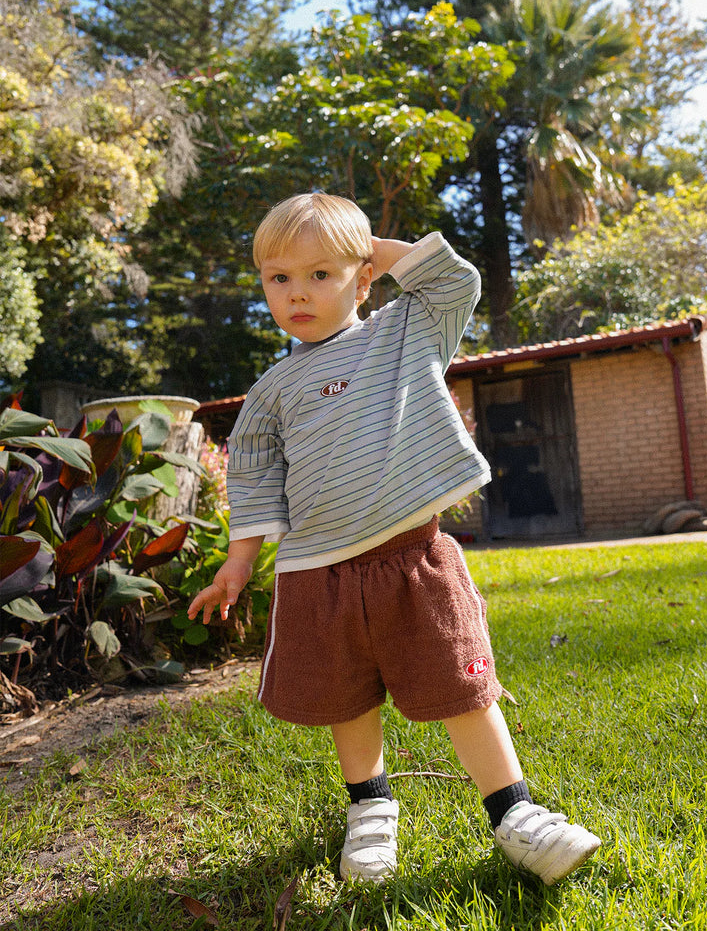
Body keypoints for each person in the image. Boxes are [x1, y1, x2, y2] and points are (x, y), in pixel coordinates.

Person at [188, 193, 601, 886]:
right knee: (348, 700)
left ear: (364, 274)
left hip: (414, 558)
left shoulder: (405, 333)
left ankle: (515, 814)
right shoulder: (270, 390)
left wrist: (359, 247)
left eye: (321, 274)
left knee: (463, 687)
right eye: (279, 277)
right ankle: (370, 809)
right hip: (317, 571)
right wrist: (239, 562)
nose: (297, 293)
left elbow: (454, 280)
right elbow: (256, 478)